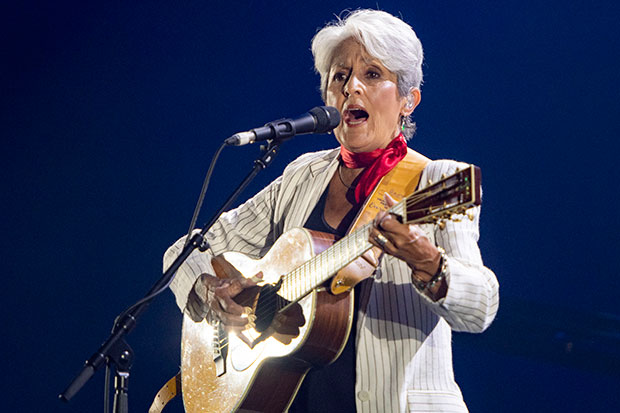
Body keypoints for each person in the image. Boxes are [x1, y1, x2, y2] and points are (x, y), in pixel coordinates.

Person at [165, 9, 499, 413]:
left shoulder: (437, 180)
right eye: (339, 76)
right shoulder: (303, 175)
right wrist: (212, 292)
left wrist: (425, 261)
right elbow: (184, 251)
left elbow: (481, 306)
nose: (351, 87)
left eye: (372, 75)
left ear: (408, 100)